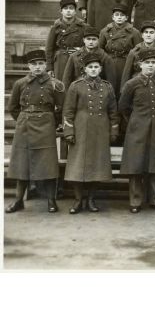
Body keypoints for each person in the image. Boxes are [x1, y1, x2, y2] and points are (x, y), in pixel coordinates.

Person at [5, 50, 64, 214]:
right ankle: (18, 201)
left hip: (46, 126)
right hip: (25, 126)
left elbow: (61, 108)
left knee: (49, 165)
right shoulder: (20, 83)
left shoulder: (55, 84)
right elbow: (13, 107)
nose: (37, 67)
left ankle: (51, 200)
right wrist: (23, 119)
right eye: (33, 64)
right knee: (22, 165)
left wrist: (52, 122)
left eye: (40, 64)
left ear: (45, 65)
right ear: (28, 66)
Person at [62, 52, 119, 214]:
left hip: (100, 131)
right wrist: (69, 132)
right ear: (85, 69)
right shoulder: (76, 86)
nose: (93, 70)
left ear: (100, 69)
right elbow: (68, 111)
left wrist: (113, 130)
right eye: (90, 67)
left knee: (97, 166)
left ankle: (91, 199)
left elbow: (113, 111)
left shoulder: (107, 86)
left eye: (96, 67)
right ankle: (78, 200)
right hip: (80, 129)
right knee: (77, 166)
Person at [118, 49, 155, 213]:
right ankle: (135, 201)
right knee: (136, 165)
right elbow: (123, 106)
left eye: (153, 63)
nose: (150, 65)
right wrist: (136, 120)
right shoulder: (131, 84)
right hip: (137, 129)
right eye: (147, 63)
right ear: (140, 64)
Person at [98, 4, 142, 98]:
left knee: (124, 87)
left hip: (126, 63)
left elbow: (138, 50)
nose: (119, 17)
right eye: (117, 15)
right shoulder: (105, 31)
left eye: (122, 15)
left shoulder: (134, 32)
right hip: (109, 62)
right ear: (113, 17)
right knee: (110, 87)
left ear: (126, 18)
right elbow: (99, 50)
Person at [120, 21, 155, 92]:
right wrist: (124, 92)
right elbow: (126, 75)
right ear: (142, 35)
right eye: (146, 32)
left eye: (151, 32)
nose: (148, 35)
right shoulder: (134, 52)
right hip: (137, 87)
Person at [62, 25, 117, 94]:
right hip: (78, 91)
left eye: (94, 39)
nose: (91, 42)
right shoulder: (74, 56)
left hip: (98, 93)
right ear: (83, 40)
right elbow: (67, 79)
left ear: (98, 40)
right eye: (88, 39)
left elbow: (110, 81)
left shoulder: (105, 57)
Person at [45, 0, 87, 80]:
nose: (68, 11)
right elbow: (49, 49)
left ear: (75, 11)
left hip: (77, 58)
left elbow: (88, 44)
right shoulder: (55, 28)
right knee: (61, 85)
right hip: (61, 60)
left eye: (71, 8)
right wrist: (49, 68)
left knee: (77, 84)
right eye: (65, 8)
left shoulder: (83, 26)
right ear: (61, 11)